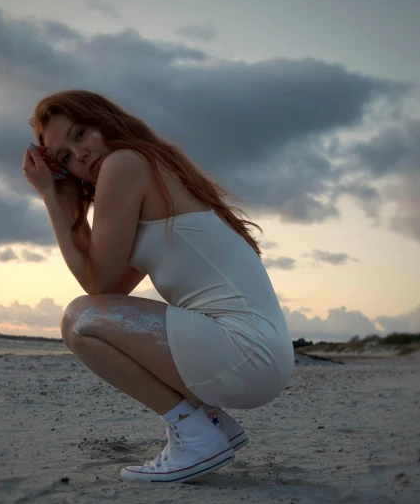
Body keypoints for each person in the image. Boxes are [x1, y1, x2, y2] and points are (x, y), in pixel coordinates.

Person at [23, 90, 294, 483]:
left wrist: (50, 196)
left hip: (244, 351)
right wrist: (69, 205)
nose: (79, 155)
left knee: (77, 320)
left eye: (81, 134)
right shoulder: (149, 172)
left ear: (104, 121)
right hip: (260, 357)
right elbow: (108, 292)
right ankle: (212, 422)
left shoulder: (124, 164)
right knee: (90, 315)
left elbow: (91, 287)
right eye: (65, 157)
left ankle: (193, 431)